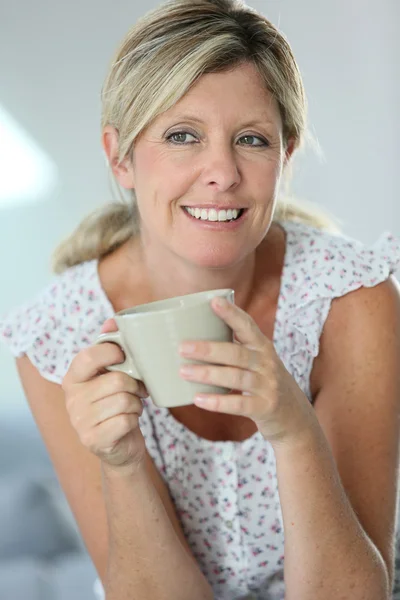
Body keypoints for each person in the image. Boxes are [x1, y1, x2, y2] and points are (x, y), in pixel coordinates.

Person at [1, 0, 400, 598]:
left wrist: (293, 430)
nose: (223, 172)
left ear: (284, 156)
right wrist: (122, 461)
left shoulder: (352, 299)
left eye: (252, 139)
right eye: (182, 136)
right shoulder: (55, 338)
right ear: (120, 156)